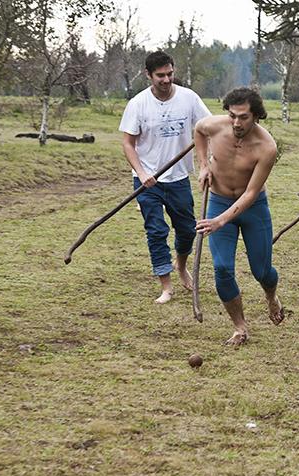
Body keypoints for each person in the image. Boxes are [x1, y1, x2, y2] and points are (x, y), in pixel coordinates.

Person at [194, 87, 285, 346]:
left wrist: (221, 220)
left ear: (256, 116)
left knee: (262, 270)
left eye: (243, 117)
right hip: (218, 200)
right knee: (222, 269)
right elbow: (199, 131)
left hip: (253, 208)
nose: (236, 122)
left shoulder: (266, 146)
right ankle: (240, 327)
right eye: (232, 115)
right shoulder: (214, 126)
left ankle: (271, 297)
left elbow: (251, 192)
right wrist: (203, 166)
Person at [119, 51, 211, 304]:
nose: (166, 79)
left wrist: (205, 163)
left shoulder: (188, 98)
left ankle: (181, 266)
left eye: (170, 74)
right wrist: (141, 173)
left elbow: (207, 128)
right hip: (148, 180)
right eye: (160, 75)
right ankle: (166, 285)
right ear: (148, 75)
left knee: (187, 230)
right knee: (156, 230)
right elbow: (128, 143)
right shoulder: (138, 104)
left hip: (179, 178)